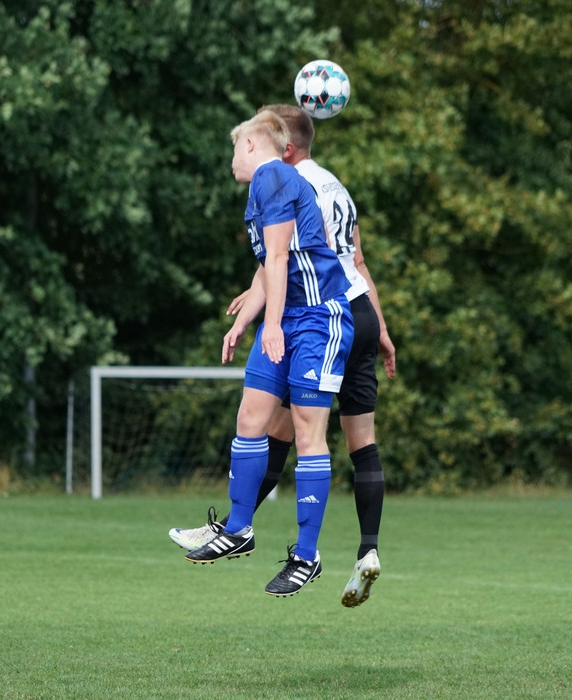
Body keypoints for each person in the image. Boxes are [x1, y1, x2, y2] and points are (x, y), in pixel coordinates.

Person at [172, 104, 396, 607]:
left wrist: (269, 323)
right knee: (251, 417)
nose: (231, 157)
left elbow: (278, 257)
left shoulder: (273, 176)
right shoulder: (271, 184)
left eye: (235, 146)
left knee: (307, 430)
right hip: (288, 315)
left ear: (253, 144)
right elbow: (272, 263)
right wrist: (245, 321)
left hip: (319, 319)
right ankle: (237, 529)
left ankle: (308, 556)